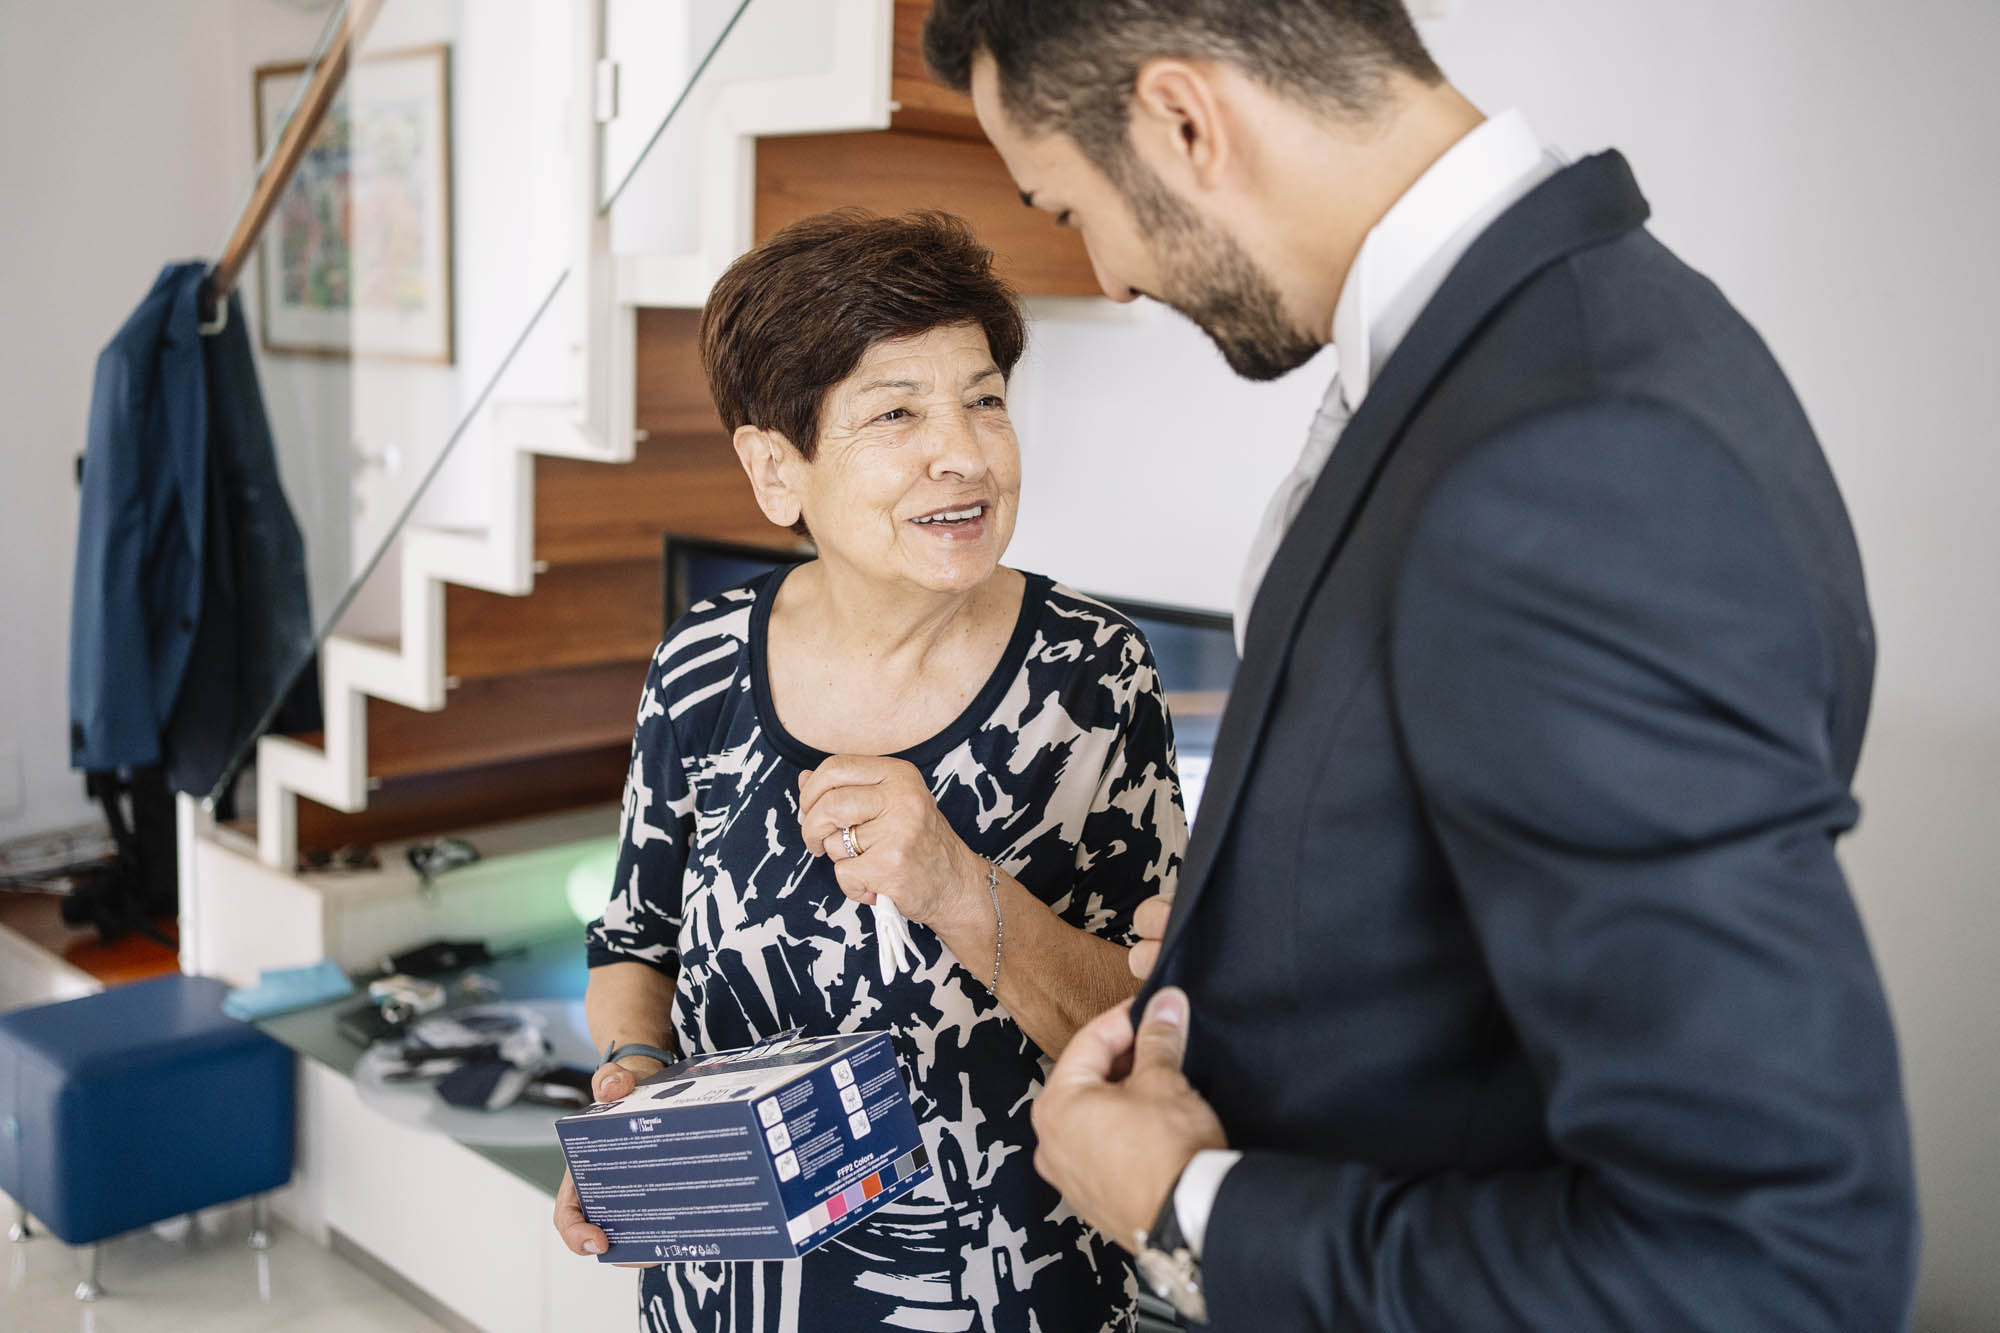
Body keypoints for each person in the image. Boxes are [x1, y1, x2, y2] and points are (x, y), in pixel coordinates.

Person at [923, 2, 1920, 1330]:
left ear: (1181, 120)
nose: (1102, 276)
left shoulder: (1571, 463)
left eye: (1069, 208)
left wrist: (1185, 1204)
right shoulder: (1545, 335)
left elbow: (1769, 1265)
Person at [555, 209, 1187, 1332]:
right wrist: (632, 1088)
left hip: (1008, 1290)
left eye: (983, 399)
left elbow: (1158, 1026)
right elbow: (634, 939)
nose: (967, 452)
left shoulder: (1092, 674)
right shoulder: (702, 661)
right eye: (895, 412)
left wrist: (954, 884)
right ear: (772, 467)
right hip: (728, 1293)